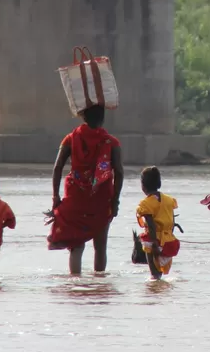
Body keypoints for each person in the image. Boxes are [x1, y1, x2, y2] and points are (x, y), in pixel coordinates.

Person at [45, 104, 124, 275]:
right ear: (102, 119)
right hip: (102, 199)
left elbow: (57, 167)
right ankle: (99, 286)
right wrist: (115, 201)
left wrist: (55, 197)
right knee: (100, 246)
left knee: (76, 244)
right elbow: (119, 172)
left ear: (83, 117)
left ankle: (76, 284)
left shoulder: (70, 139)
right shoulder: (112, 143)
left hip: (76, 198)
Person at [135, 166, 180, 280]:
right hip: (169, 240)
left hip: (154, 241)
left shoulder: (146, 204)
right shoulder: (169, 200)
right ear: (159, 183)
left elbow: (151, 225)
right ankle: (159, 293)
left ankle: (154, 294)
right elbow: (172, 220)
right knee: (160, 273)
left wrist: (155, 243)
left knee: (154, 274)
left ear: (143, 186)